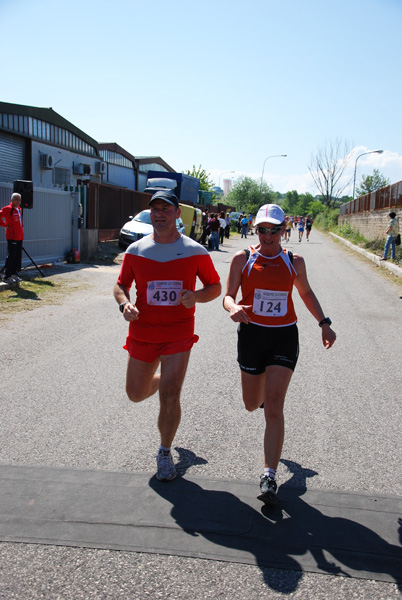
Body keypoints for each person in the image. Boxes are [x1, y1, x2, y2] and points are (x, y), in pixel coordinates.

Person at [223, 204, 336, 505]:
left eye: (275, 229)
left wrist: (324, 324)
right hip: (251, 334)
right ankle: (261, 398)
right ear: (255, 229)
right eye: (263, 229)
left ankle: (269, 475)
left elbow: (306, 293)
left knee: (273, 406)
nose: (269, 235)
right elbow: (228, 295)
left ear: (284, 229)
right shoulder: (242, 258)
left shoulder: (293, 261)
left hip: (284, 336)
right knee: (252, 404)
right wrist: (233, 308)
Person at [114, 190, 221, 481]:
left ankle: (164, 452)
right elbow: (120, 285)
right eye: (155, 209)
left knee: (171, 394)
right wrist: (125, 304)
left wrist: (196, 296)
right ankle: (161, 382)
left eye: (166, 209)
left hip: (178, 332)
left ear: (177, 214)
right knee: (135, 394)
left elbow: (214, 287)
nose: (159, 214)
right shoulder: (136, 250)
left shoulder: (195, 250)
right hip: (143, 330)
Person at [0, 193, 24, 284]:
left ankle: (14, 274)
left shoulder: (18, 209)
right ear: (12, 200)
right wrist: (5, 225)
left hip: (19, 237)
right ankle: (7, 276)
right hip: (12, 237)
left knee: (17, 257)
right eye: (16, 199)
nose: (18, 201)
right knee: (11, 256)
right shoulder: (7, 209)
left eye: (19, 200)